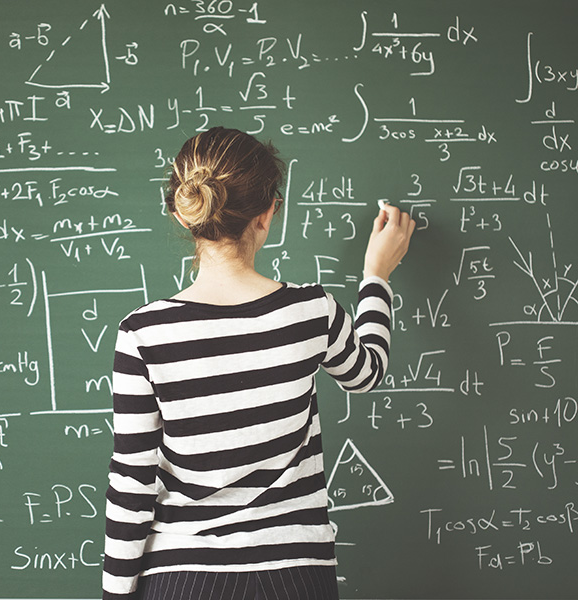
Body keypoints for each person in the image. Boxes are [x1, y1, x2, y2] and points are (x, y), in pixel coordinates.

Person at [102, 127, 415, 600]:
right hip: (295, 577)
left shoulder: (143, 334)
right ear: (268, 214)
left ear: (184, 214)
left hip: (180, 577)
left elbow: (132, 483)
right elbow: (367, 372)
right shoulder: (311, 312)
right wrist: (377, 275)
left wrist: (115, 595)